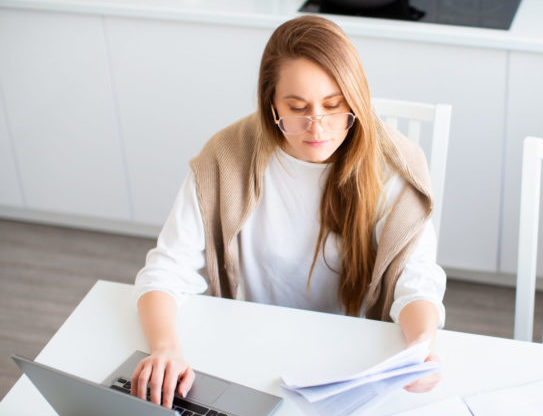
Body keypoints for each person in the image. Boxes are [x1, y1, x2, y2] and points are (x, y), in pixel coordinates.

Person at [130, 15, 446, 409]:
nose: (318, 127)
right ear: (272, 105)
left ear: (356, 98)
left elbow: (416, 280)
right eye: (298, 108)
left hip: (353, 363)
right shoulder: (226, 159)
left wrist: (420, 346)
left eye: (333, 106)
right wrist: (164, 349)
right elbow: (166, 270)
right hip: (249, 357)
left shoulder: (393, 164)